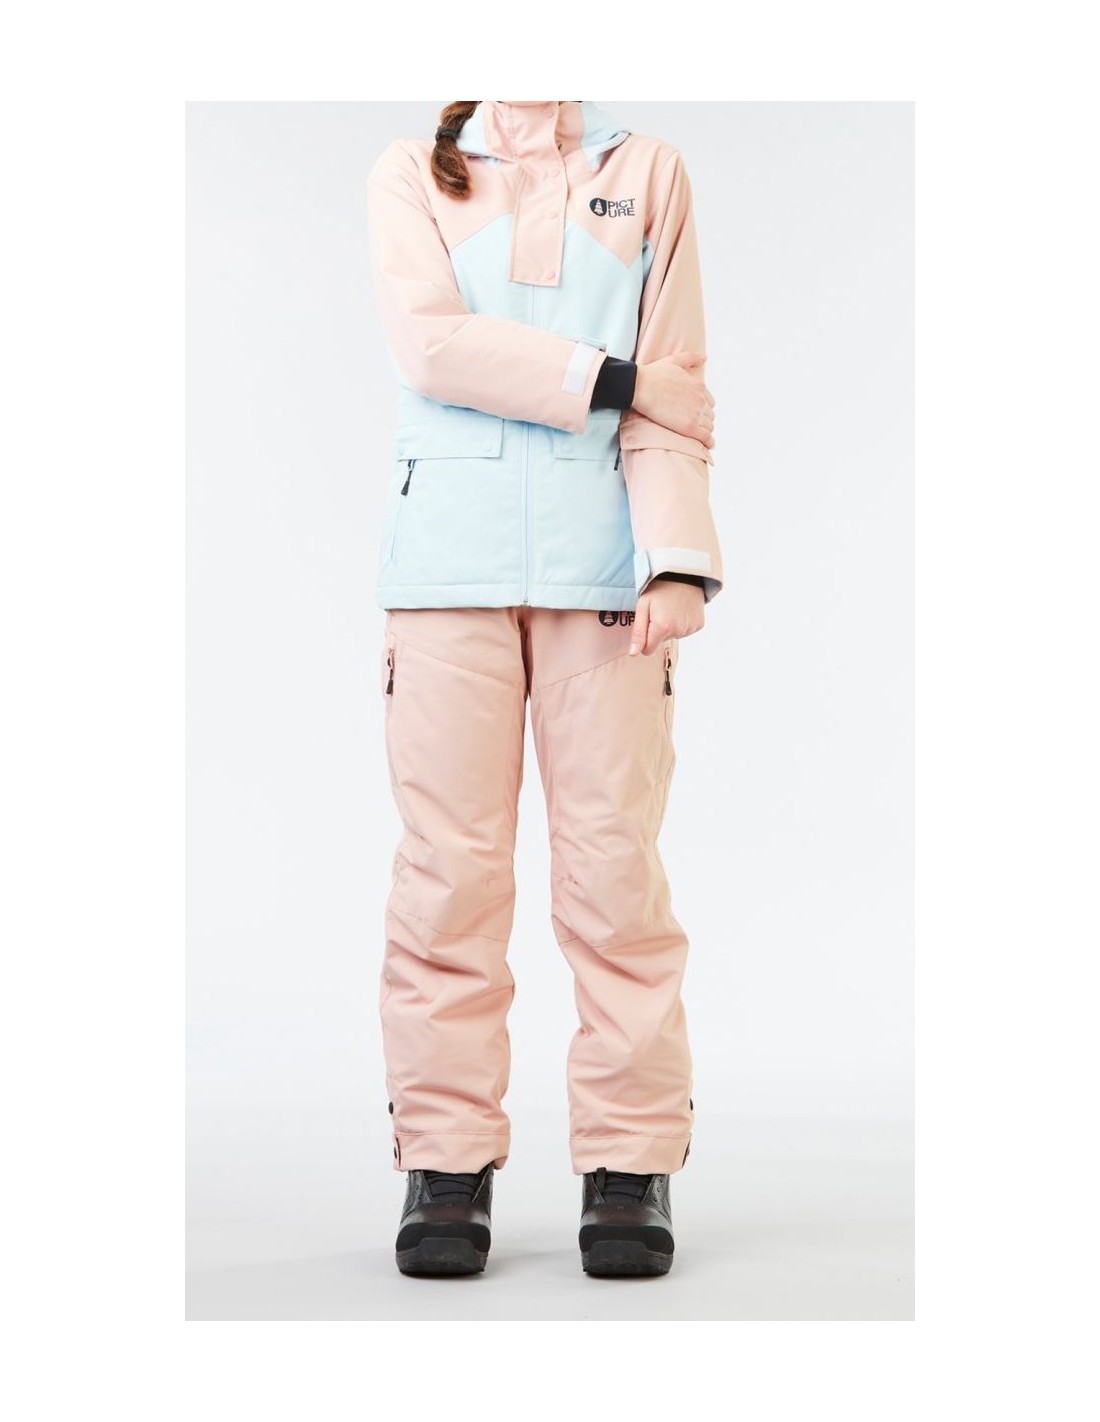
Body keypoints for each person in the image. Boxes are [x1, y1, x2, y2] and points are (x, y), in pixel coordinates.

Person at [366, 99, 723, 1278]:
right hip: (445, 571)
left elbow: (677, 383)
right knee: (447, 878)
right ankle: (444, 1162)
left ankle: (629, 1161)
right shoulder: (411, 173)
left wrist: (675, 558)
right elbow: (433, 346)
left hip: (607, 569)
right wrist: (613, 378)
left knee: (613, 873)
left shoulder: (649, 170)